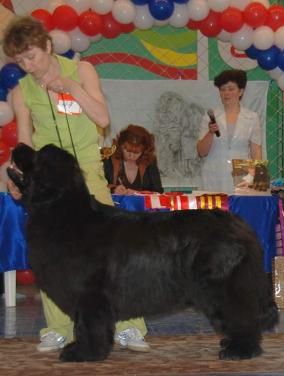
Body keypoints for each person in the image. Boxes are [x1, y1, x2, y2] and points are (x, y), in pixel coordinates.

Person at [2, 16, 149, 353]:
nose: (28, 66)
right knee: (53, 253)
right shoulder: (20, 92)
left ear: (48, 46)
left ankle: (128, 325)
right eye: (20, 60)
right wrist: (17, 178)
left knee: (112, 250)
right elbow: (25, 144)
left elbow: (102, 119)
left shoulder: (82, 72)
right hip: (48, 180)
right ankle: (59, 327)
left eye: (32, 56)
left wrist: (72, 89)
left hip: (87, 171)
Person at [196, 69, 263, 193]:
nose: (226, 93)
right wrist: (210, 133)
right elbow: (201, 152)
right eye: (222, 89)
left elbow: (256, 151)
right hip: (214, 174)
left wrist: (258, 183)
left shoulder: (252, 117)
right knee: (213, 212)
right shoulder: (210, 116)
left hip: (242, 175)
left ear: (240, 91)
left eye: (231, 89)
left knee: (240, 211)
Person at [104, 124, 164, 194]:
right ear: (121, 146)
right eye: (128, 150)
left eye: (136, 152)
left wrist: (138, 194)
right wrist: (113, 189)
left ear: (144, 151)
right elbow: (96, 186)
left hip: (142, 204)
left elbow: (158, 192)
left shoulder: (149, 162)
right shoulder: (109, 160)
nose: (131, 156)